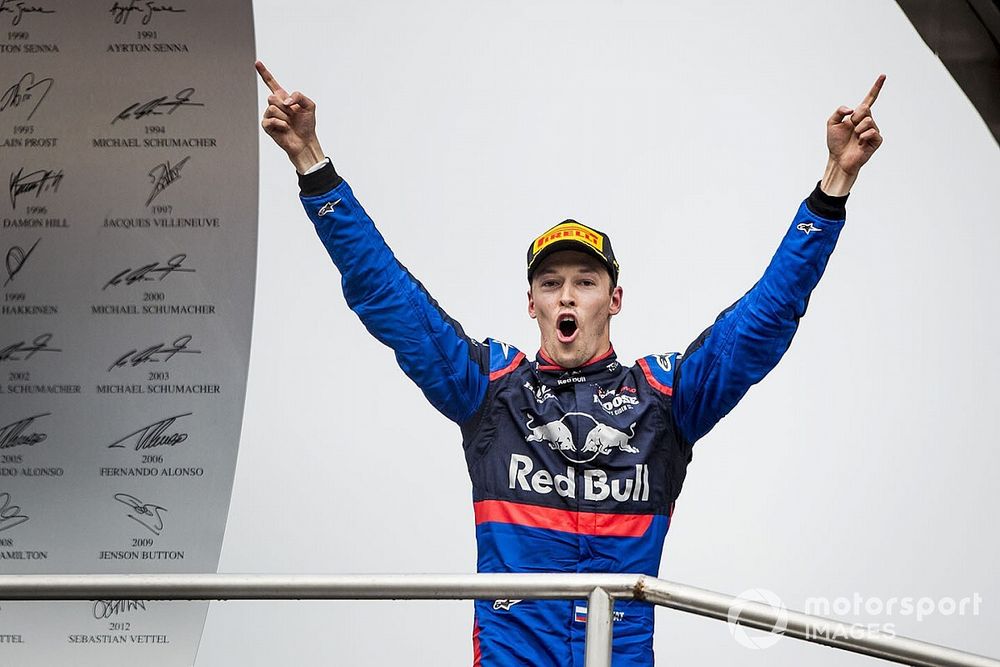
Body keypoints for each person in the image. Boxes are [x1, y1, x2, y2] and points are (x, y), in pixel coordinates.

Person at [255, 59, 884, 666]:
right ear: (531, 303)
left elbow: (764, 320)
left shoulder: (664, 397)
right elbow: (388, 296)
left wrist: (834, 184)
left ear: (613, 300)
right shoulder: (491, 390)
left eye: (585, 281)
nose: (566, 294)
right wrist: (312, 163)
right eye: (551, 282)